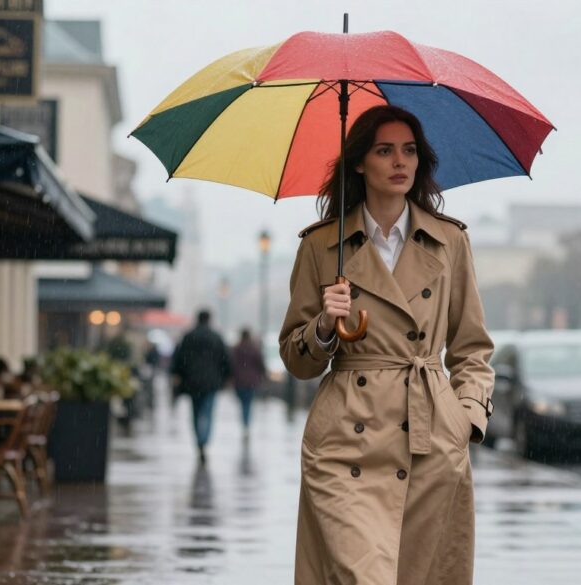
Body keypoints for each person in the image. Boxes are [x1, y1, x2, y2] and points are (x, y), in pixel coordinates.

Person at [279, 105, 494, 584]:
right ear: (359, 162)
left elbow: (472, 347)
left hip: (430, 437)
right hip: (345, 445)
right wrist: (324, 326)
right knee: (360, 575)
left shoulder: (450, 241)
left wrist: (465, 418)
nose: (400, 161)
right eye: (384, 150)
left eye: (409, 150)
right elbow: (295, 357)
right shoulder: (320, 246)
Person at [170, 310, 232, 464]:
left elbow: (178, 357)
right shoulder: (216, 337)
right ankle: (204, 440)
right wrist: (225, 377)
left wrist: (178, 374)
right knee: (208, 412)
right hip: (211, 382)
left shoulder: (188, 336)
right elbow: (226, 358)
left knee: (196, 412)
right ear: (209, 319)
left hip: (192, 382)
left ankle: (199, 440)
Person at [230, 328, 266, 439]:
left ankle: (244, 424)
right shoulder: (254, 349)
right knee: (248, 404)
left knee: (243, 404)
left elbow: (231, 364)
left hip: (239, 381)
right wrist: (263, 375)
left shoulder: (236, 349)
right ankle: (246, 425)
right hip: (251, 381)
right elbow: (261, 364)